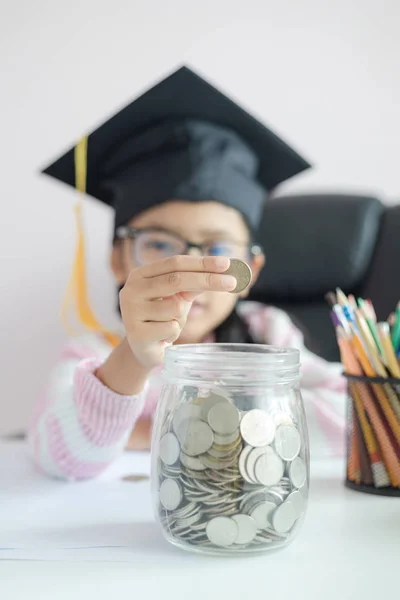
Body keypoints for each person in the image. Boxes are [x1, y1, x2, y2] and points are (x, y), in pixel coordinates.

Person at [29, 67, 345, 480]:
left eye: (217, 251)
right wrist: (132, 361)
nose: (191, 274)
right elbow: (62, 458)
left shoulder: (267, 332)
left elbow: (357, 417)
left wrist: (158, 431)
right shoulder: (93, 353)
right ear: (118, 259)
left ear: (250, 268)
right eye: (160, 244)